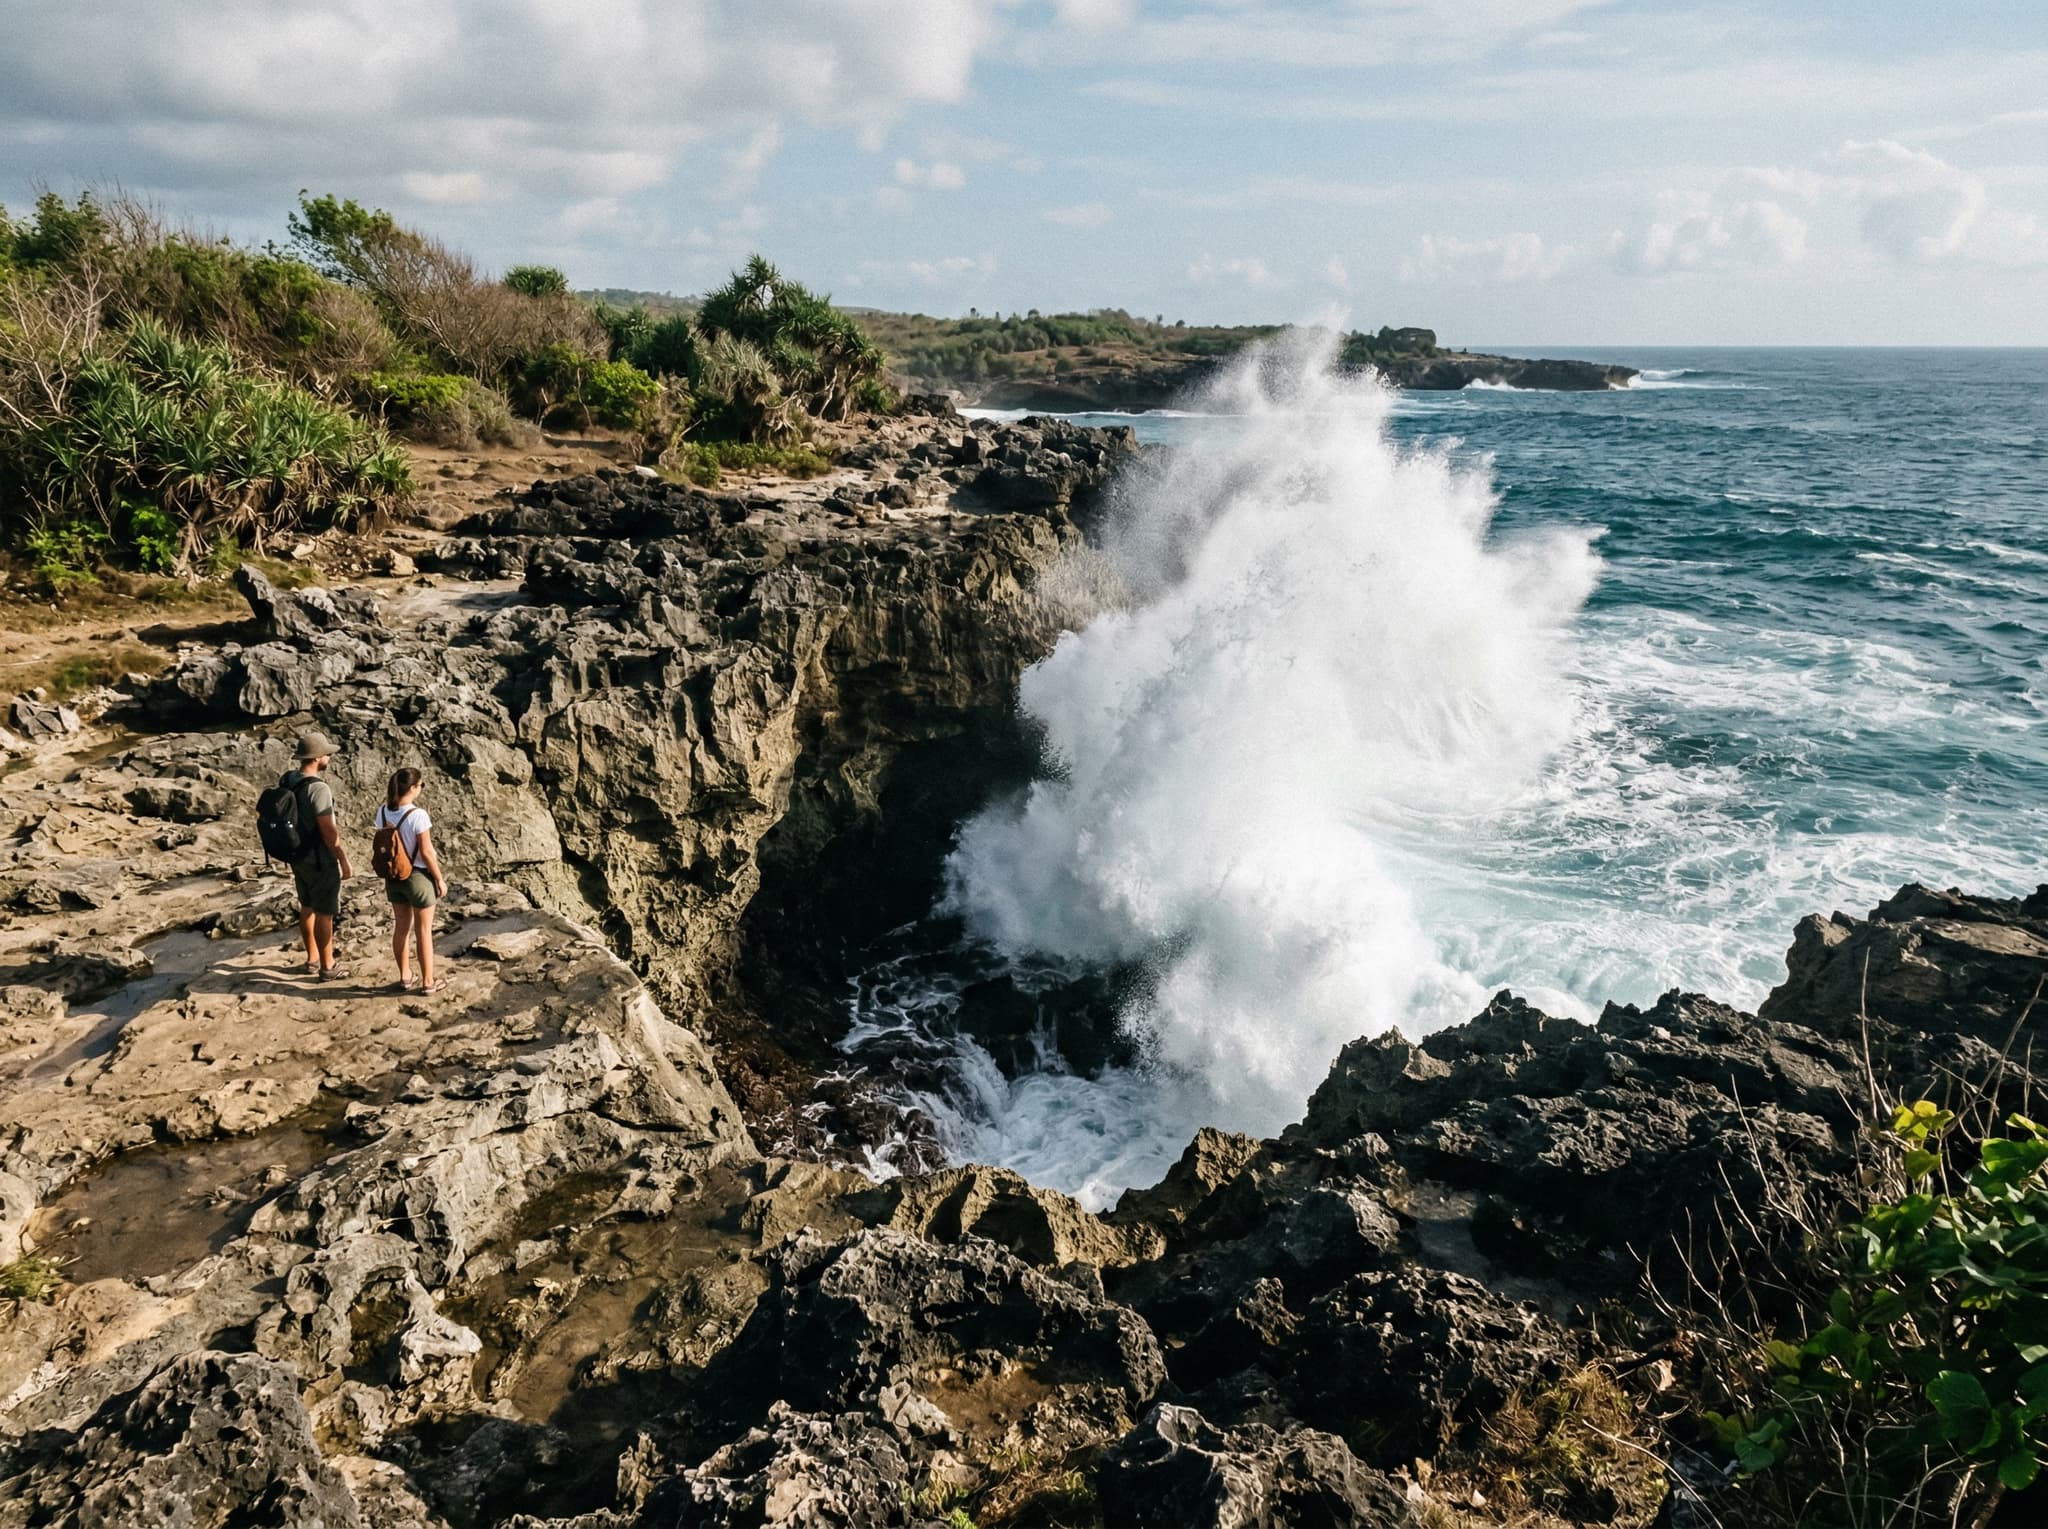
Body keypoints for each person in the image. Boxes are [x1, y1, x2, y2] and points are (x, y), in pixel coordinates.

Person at [285, 732, 353, 979]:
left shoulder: (290, 779)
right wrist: (342, 859)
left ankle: (312, 958)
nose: (330, 757)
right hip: (319, 859)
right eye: (327, 754)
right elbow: (328, 831)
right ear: (316, 758)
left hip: (297, 854)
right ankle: (328, 966)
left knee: (307, 906)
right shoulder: (318, 789)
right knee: (325, 913)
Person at [376, 767, 448, 993]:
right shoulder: (418, 815)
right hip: (417, 877)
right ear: (414, 788)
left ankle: (405, 976)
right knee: (423, 932)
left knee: (401, 928)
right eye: (421, 786)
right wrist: (439, 879)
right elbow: (426, 852)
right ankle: (428, 982)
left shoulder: (383, 812)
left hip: (394, 877)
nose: (421, 789)